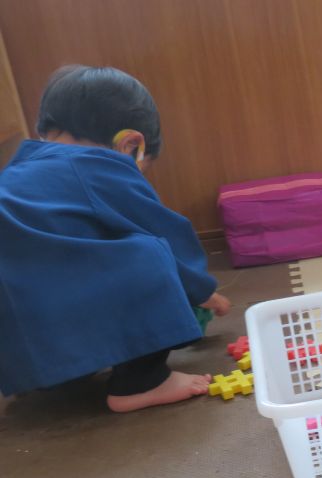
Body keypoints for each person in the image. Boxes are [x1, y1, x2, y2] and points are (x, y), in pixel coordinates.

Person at [0, 65, 230, 412]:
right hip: (46, 300)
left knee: (66, 272)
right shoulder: (98, 165)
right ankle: (143, 383)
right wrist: (200, 288)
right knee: (149, 253)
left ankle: (58, 378)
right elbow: (162, 230)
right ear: (129, 146)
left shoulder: (21, 170)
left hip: (17, 324)